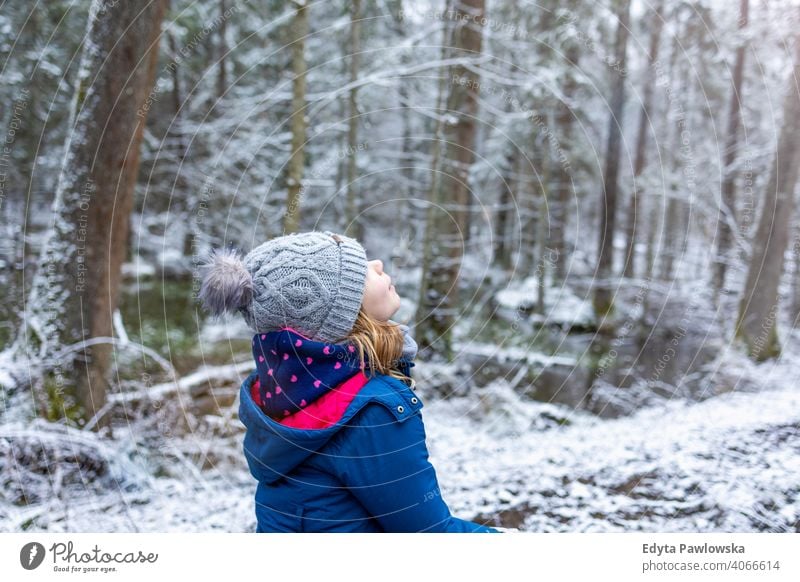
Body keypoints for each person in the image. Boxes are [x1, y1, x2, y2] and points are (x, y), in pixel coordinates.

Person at [199, 230, 499, 533]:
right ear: (341, 313)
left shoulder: (287, 396)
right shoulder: (372, 409)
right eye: (362, 269)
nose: (379, 264)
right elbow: (430, 533)